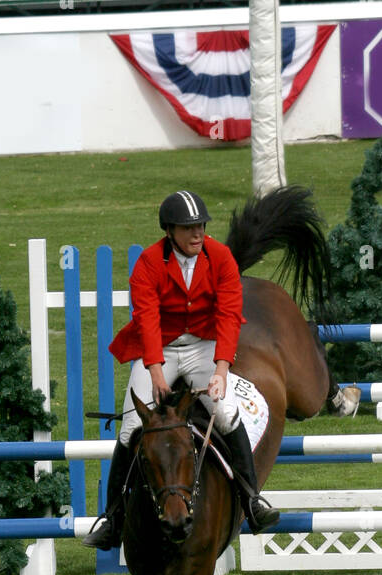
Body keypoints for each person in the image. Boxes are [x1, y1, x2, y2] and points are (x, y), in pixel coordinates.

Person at [82, 189, 279, 549]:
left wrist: (221, 370)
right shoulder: (149, 262)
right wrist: (156, 371)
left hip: (204, 346)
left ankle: (252, 500)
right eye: (188, 228)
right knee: (129, 427)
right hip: (162, 348)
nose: (197, 233)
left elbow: (230, 314)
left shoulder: (219, 257)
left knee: (226, 413)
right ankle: (112, 518)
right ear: (169, 231)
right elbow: (146, 318)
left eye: (201, 226)